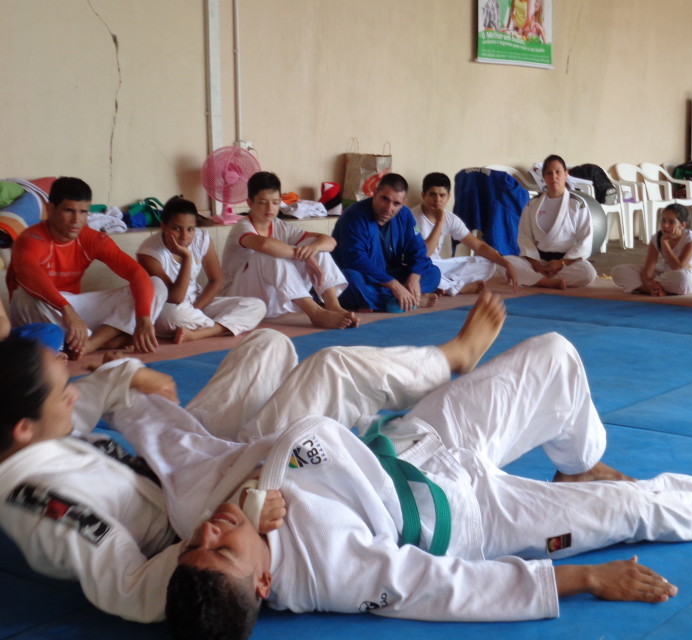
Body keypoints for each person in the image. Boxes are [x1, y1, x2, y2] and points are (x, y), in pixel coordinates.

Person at [160, 292, 692, 636]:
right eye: (221, 552)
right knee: (630, 511)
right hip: (477, 514)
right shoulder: (330, 573)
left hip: (422, 439)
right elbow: (447, 589)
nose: (213, 532)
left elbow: (182, 446)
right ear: (264, 588)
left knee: (557, 355)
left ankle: (581, 458)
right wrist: (586, 581)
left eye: (200, 542)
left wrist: (133, 394)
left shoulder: (211, 508)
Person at [0, 295, 508, 623]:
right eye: (62, 392)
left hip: (181, 467)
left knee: (267, 344)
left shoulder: (26, 435)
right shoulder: (39, 499)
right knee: (331, 370)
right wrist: (237, 520)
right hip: (201, 514)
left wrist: (128, 376)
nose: (74, 395)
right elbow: (132, 589)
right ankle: (450, 358)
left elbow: (84, 405)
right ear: (24, 428)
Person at [5, 176, 166, 358]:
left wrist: (143, 317)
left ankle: (89, 345)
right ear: (50, 209)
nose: (77, 219)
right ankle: (108, 338)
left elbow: (136, 273)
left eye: (83, 212)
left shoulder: (92, 239)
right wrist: (67, 310)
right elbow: (30, 276)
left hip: (76, 313)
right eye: (69, 211)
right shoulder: (30, 239)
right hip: (47, 313)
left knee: (156, 285)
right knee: (24, 296)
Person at [221, 172, 357, 329]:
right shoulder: (242, 226)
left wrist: (311, 249)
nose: (270, 209)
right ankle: (315, 313)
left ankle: (333, 306)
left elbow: (330, 242)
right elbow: (265, 245)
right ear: (250, 202)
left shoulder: (278, 225)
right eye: (263, 202)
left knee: (315, 246)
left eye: (275, 202)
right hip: (240, 299)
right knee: (267, 255)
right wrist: (303, 256)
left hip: (271, 302)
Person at [138, 196, 266, 343]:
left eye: (190, 229)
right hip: (169, 307)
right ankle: (219, 326)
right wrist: (187, 257)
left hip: (198, 302)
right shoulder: (148, 253)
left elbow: (216, 280)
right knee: (172, 316)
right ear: (163, 226)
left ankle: (198, 333)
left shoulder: (201, 238)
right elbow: (175, 298)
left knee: (257, 306)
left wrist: (197, 308)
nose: (184, 236)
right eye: (176, 228)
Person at [331, 173, 441, 312]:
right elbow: (355, 260)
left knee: (433, 272)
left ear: (403, 203)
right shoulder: (354, 216)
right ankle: (408, 300)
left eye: (396, 203)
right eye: (384, 199)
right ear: (375, 193)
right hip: (362, 275)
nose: (389, 208)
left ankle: (382, 300)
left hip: (387, 274)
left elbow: (418, 251)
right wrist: (394, 285)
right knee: (348, 279)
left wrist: (414, 277)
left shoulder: (405, 215)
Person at [412, 172, 518, 295]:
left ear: (448, 197)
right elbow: (423, 255)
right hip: (421, 266)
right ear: (423, 195)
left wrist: (507, 264)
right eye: (433, 195)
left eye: (442, 195)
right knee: (423, 272)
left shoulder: (451, 218)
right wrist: (439, 222)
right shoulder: (412, 218)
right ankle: (455, 288)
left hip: (438, 266)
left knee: (488, 264)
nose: (437, 200)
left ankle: (444, 284)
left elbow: (479, 246)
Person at [506, 155, 597, 290]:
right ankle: (546, 281)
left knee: (588, 273)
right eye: (549, 173)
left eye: (558, 172)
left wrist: (561, 263)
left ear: (566, 175)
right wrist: (536, 264)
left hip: (566, 262)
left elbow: (585, 240)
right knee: (505, 263)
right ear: (543, 177)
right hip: (539, 261)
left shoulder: (577, 204)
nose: (554, 176)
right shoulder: (533, 204)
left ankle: (535, 279)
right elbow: (524, 236)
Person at [611, 204, 692, 296]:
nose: (665, 225)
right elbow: (649, 267)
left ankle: (650, 289)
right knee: (618, 271)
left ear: (682, 225)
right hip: (662, 274)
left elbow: (677, 267)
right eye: (663, 221)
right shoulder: (656, 237)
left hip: (687, 275)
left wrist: (664, 242)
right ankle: (655, 289)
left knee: (682, 278)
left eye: (671, 222)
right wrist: (647, 282)